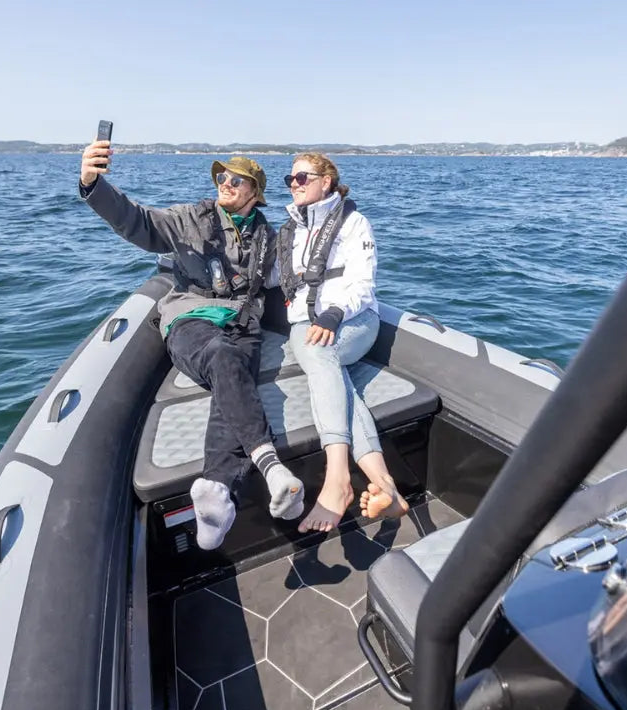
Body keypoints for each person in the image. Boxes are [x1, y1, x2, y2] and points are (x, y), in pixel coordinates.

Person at [79, 140, 303, 550]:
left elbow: (286, 274)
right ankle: (271, 466)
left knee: (231, 371)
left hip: (242, 321)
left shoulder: (268, 236)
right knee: (221, 355)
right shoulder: (190, 219)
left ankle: (217, 488)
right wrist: (94, 185)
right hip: (191, 316)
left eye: (237, 180)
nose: (226, 184)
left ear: (255, 193)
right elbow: (140, 222)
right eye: (222, 177)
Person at [273, 153, 409, 533]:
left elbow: (363, 284)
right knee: (342, 385)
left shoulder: (354, 223)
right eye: (290, 178)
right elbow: (271, 277)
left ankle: (337, 478)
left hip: (353, 322)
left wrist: (334, 313)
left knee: (320, 354)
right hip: (305, 324)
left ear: (326, 181)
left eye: (302, 177)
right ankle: (386, 487)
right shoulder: (290, 231)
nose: (294, 183)